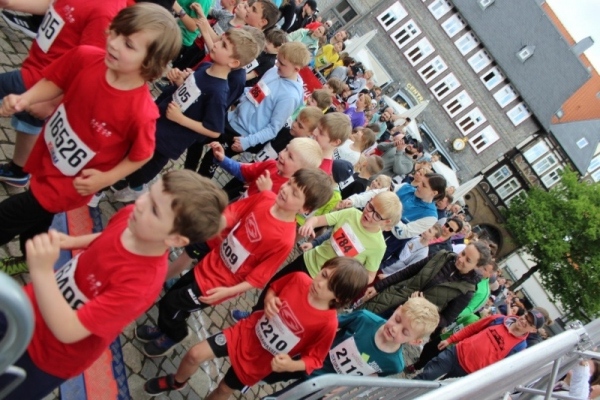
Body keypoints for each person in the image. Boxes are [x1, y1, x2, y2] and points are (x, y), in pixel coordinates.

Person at [0, 170, 227, 399]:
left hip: (46, 356)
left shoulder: (140, 285)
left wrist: (41, 271)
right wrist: (70, 241)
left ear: (175, 239)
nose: (140, 203)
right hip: (29, 306)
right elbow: (108, 236)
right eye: (150, 194)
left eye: (155, 209)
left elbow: (68, 330)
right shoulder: (133, 219)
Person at [0, 4, 181, 275]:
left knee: (10, 215)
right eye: (115, 32)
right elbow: (55, 80)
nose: (114, 43)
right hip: (48, 154)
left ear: (150, 62)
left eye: (128, 44)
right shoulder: (85, 56)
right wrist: (26, 98)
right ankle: (32, 256)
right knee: (37, 221)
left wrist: (105, 179)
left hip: (71, 183)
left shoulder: (142, 112)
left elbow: (142, 154)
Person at [136, 169, 334, 357]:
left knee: (171, 303)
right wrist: (204, 227)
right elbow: (232, 214)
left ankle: (174, 334)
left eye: (295, 193)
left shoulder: (284, 240)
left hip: (217, 284)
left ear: (305, 209)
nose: (285, 189)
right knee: (173, 295)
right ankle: (165, 326)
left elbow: (258, 278)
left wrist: (227, 292)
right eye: (289, 183)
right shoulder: (265, 198)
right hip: (209, 263)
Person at [143, 257, 369, 397]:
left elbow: (315, 359)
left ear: (339, 298)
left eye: (329, 286)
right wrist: (270, 300)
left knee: (223, 389)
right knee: (195, 354)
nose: (319, 283)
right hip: (246, 332)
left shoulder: (328, 323)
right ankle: (177, 382)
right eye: (323, 274)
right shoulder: (299, 279)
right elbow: (273, 289)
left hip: (260, 361)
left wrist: (291, 364)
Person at [112, 28, 260, 202]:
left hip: (171, 138)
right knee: (133, 152)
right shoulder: (205, 67)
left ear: (234, 62)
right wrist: (179, 81)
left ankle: (136, 187)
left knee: (148, 165)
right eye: (220, 40)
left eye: (224, 45)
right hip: (159, 121)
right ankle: (122, 176)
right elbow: (191, 95)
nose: (216, 44)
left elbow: (214, 130)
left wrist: (181, 119)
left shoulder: (218, 92)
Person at [0, 0, 128, 188]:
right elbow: (54, 4)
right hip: (38, 66)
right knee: (28, 120)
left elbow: (93, 66)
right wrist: (11, 3)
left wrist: (51, 102)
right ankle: (18, 171)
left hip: (44, 80)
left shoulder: (106, 12)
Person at [264, 296, 440, 397]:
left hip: (322, 384)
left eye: (405, 332)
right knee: (269, 372)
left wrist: (337, 390)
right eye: (397, 319)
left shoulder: (395, 364)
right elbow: (330, 324)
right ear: (397, 309)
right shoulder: (364, 318)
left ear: (415, 342)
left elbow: (369, 378)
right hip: (307, 359)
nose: (395, 329)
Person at [198, 41, 311, 178]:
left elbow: (273, 129)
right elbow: (256, 91)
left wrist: (247, 142)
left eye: (282, 64)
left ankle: (197, 187)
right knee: (198, 139)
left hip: (241, 134)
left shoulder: (290, 97)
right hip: (232, 117)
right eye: (277, 60)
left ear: (296, 69)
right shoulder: (274, 71)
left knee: (211, 159)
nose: (276, 65)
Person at [358, 242, 491, 326]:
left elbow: (445, 320)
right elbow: (408, 272)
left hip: (407, 322)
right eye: (463, 253)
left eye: (468, 260)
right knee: (357, 319)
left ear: (477, 266)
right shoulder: (441, 256)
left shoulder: (467, 291)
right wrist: (378, 287)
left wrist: (425, 307)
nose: (461, 259)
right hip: (389, 298)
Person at [413, 309, 545, 380]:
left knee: (438, 394)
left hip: (467, 374)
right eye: (526, 316)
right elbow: (473, 328)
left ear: (533, 330)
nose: (524, 320)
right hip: (455, 353)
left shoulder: (520, 348)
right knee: (425, 377)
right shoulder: (498, 319)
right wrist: (451, 339)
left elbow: (500, 369)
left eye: (529, 322)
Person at [378, 223, 443, 279]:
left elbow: (407, 269)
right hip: (381, 261)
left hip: (385, 272)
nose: (426, 231)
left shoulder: (422, 254)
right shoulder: (414, 236)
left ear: (433, 238)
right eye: (427, 228)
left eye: (429, 231)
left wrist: (388, 276)